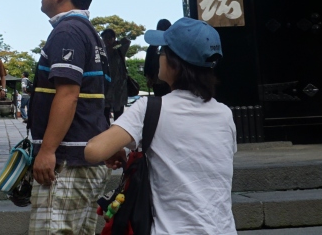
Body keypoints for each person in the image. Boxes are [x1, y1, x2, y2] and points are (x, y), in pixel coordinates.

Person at [85, 16, 236, 235]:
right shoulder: (224, 114)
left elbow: (93, 151)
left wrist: (118, 147)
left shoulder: (149, 108)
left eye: (162, 51)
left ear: (175, 63)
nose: (159, 56)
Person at [28, 0, 110, 235]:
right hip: (87, 157)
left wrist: (47, 151)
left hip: (67, 161)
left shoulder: (68, 32)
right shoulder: (91, 34)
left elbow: (68, 94)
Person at [100, 28, 132, 120]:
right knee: (104, 115)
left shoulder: (119, 51)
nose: (107, 41)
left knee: (119, 116)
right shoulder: (101, 53)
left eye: (110, 38)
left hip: (119, 88)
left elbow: (127, 41)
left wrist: (117, 43)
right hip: (105, 88)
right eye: (105, 38)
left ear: (114, 39)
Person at [144, 18, 173, 96]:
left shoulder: (152, 48)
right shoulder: (172, 46)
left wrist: (149, 78)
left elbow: (147, 65)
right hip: (166, 82)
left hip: (158, 82)